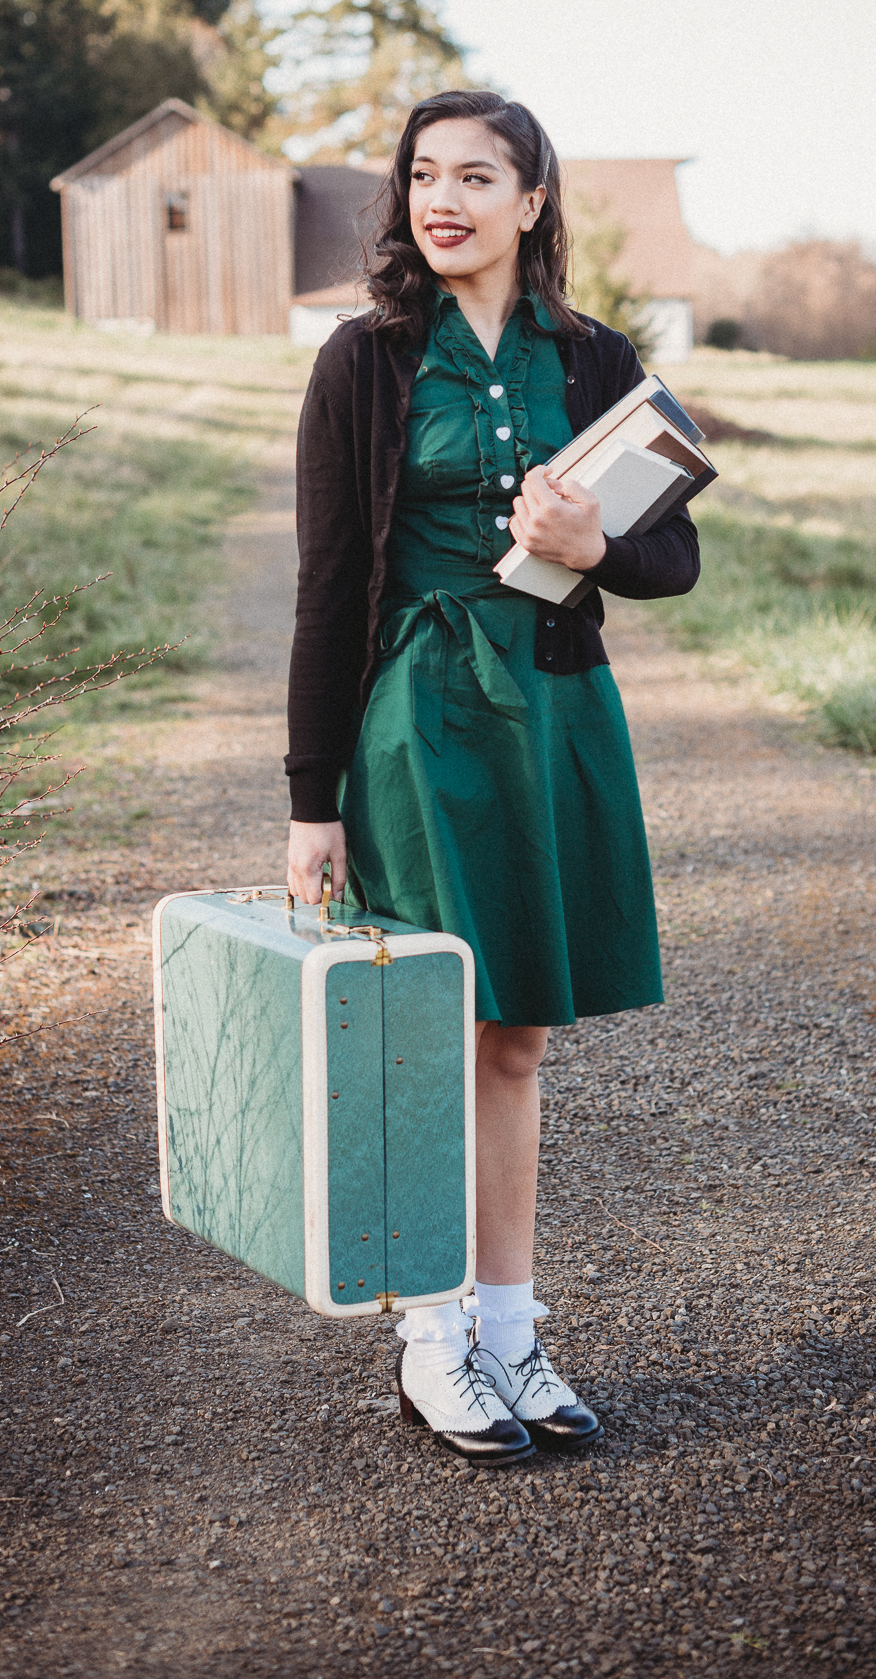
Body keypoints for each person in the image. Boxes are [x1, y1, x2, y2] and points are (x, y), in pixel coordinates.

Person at [285, 90, 700, 1466]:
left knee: (515, 1033)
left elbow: (672, 557)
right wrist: (310, 795)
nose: (443, 198)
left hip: (558, 711)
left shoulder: (595, 360)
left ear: (535, 201)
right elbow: (329, 587)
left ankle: (513, 1335)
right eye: (422, 175)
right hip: (419, 717)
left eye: (478, 175)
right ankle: (430, 1343)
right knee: (430, 1030)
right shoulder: (363, 362)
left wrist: (593, 548)